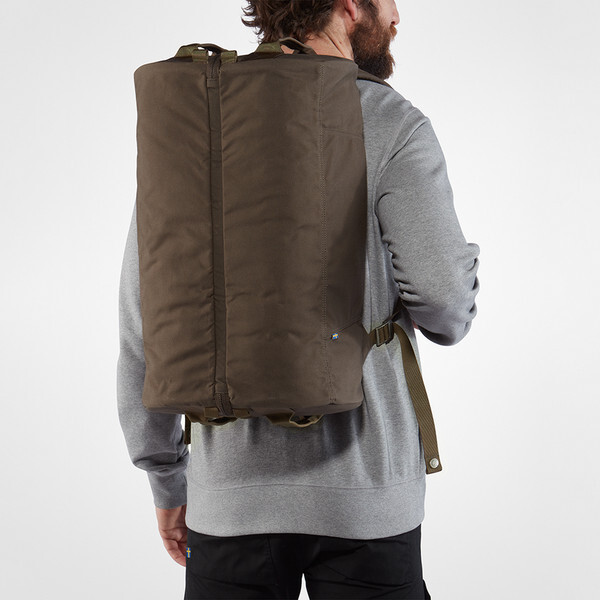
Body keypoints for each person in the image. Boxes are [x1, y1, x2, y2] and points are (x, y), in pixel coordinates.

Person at [117, 0, 481, 598]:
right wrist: (463, 273)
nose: (397, 15)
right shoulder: (389, 119)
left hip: (228, 499)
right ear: (349, 6)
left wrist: (166, 475)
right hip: (366, 496)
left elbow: (145, 317)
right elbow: (444, 302)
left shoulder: (200, 119)